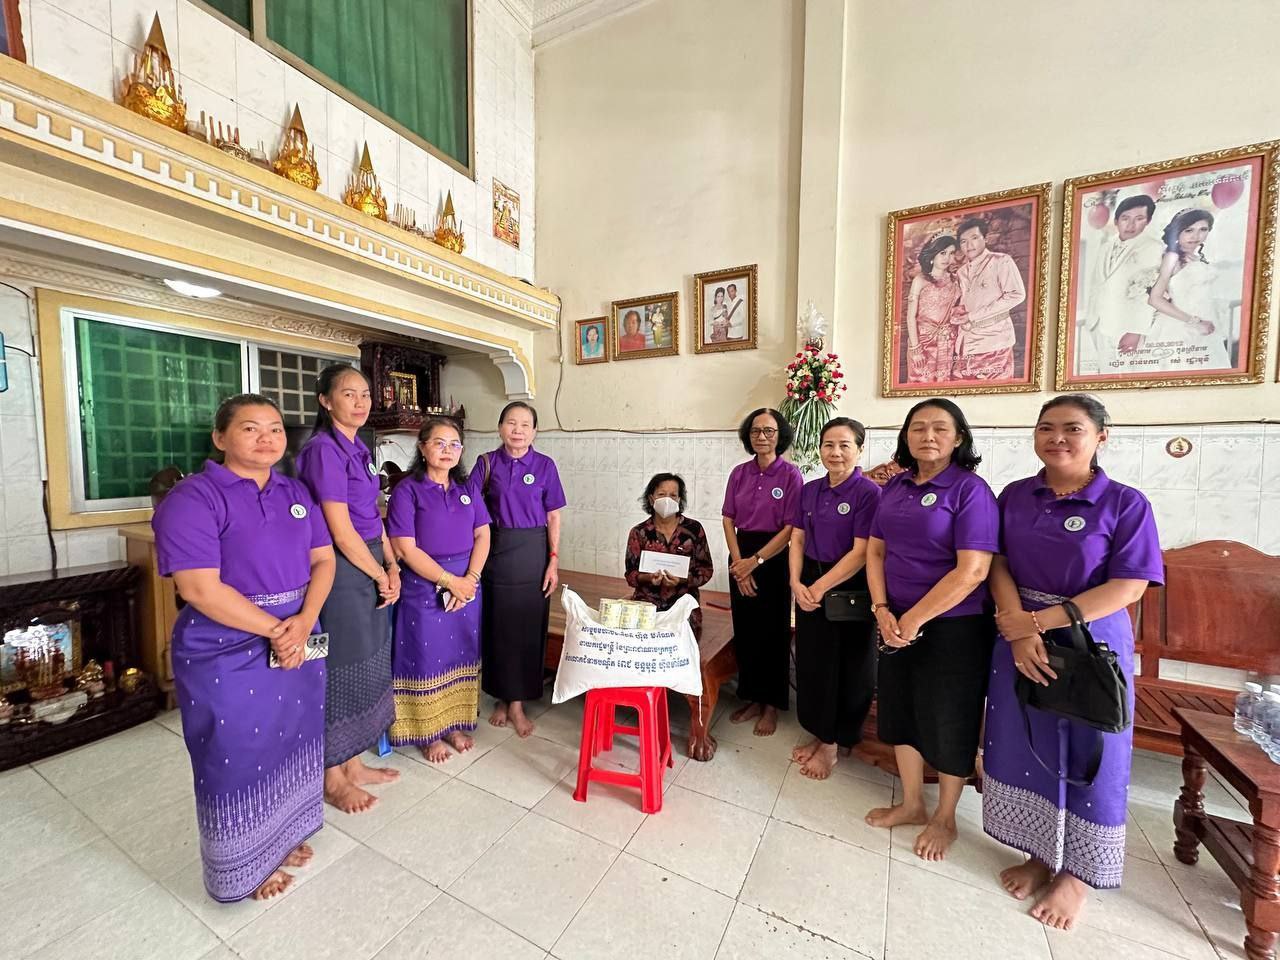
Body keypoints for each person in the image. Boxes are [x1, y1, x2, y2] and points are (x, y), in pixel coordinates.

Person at [982, 394, 1161, 931]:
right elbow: (997, 563)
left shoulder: (1125, 503)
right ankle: (1040, 854)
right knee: (1028, 740)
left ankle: (1078, 876)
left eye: (1072, 428)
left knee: (1092, 750)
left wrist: (1038, 623)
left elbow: (1129, 585)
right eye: (1046, 427)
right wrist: (1016, 625)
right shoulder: (1016, 495)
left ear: (1101, 436)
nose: (1057, 438)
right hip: (1018, 634)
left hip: (1090, 644)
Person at [152, 394, 335, 901]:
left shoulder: (294, 491)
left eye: (275, 429)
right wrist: (280, 630)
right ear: (220, 438)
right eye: (251, 428)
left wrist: (303, 622)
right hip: (224, 645)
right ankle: (244, 865)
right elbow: (199, 589)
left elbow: (323, 561)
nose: (267, 438)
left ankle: (281, 839)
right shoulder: (194, 498)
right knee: (234, 751)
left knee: (290, 737)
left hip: (297, 633)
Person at [864, 398, 998, 862]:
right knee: (900, 710)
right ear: (906, 437)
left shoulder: (970, 490)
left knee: (948, 718)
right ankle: (912, 803)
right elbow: (876, 552)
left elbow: (973, 571)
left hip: (953, 627)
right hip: (894, 619)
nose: (928, 436)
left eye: (940, 428)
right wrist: (882, 609)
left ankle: (945, 816)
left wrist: (913, 619)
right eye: (918, 427)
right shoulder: (895, 487)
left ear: (959, 438)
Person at [295, 364, 400, 815]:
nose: (360, 402)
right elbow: (339, 529)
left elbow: (372, 513)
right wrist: (378, 573)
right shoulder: (323, 450)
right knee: (339, 667)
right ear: (325, 400)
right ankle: (331, 777)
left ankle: (353, 763)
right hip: (341, 569)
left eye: (365, 394)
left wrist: (391, 564)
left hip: (370, 560)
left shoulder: (359, 447)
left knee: (368, 661)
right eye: (349, 394)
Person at [387, 418, 491, 761]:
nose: (448, 450)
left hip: (467, 587)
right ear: (422, 448)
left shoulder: (467, 489)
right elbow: (405, 548)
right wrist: (450, 582)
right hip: (423, 588)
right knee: (425, 658)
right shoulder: (407, 491)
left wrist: (470, 579)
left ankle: (454, 725)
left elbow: (483, 534)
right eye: (439, 443)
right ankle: (428, 733)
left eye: (454, 444)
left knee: (460, 653)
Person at [788, 418, 881, 780]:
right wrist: (796, 582)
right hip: (809, 580)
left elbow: (861, 553)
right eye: (828, 444)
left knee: (849, 666)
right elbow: (797, 538)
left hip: (850, 585)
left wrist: (818, 588)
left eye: (845, 445)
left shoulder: (868, 493)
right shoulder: (810, 490)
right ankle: (820, 732)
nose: (836, 452)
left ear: (859, 449)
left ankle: (834, 743)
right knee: (814, 662)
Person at [471, 401, 565, 737]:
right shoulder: (486, 463)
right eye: (511, 423)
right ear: (500, 428)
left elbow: (553, 515)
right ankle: (500, 696)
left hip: (532, 553)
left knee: (527, 625)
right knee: (497, 626)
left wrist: (553, 559)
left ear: (535, 431)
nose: (518, 430)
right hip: (495, 550)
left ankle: (517, 703)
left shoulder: (544, 465)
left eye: (525, 424)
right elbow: (471, 510)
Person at [723, 408, 803, 737]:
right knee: (746, 631)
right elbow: (728, 519)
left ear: (779, 436)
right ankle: (752, 698)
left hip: (773, 558)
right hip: (741, 553)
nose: (762, 437)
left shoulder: (791, 475)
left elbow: (790, 528)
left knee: (773, 633)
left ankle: (771, 705)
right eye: (756, 431)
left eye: (769, 431)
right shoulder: (739, 473)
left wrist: (754, 562)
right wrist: (739, 565)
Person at [625, 474, 716, 758]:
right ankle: (646, 705)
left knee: (687, 650)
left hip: (683, 606)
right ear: (651, 498)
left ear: (680, 499)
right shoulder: (639, 533)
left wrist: (684, 579)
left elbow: (706, 570)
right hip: (648, 605)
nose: (668, 499)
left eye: (674, 495)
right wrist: (648, 578)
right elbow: (630, 574)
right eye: (661, 493)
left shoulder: (693, 530)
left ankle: (696, 722)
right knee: (640, 646)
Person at [1081, 195, 1164, 369]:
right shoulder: (1106, 247)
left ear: (1148, 221)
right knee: (1105, 374)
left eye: (1139, 219)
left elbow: (1149, 289)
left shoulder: (1153, 247)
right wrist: (1091, 321)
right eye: (1125, 218)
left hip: (1127, 326)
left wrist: (1137, 330)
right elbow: (1097, 284)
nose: (1131, 225)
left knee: (1127, 375)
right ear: (1116, 221)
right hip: (1099, 323)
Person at [1147, 208, 1231, 370]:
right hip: (1181, 326)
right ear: (1177, 231)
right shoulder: (1171, 258)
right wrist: (1195, 322)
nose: (1196, 236)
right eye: (1189, 230)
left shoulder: (1198, 258)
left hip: (1206, 327)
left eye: (1203, 229)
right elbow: (1155, 299)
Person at [953, 217, 1025, 380]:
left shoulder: (1001, 261)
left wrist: (973, 316)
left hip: (994, 341)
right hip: (966, 342)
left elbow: (1016, 295)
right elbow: (967, 301)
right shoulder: (962, 271)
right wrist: (959, 312)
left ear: (985, 238)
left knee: (993, 389)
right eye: (963, 241)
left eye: (974, 238)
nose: (969, 245)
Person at [905, 234, 960, 383]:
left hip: (947, 342)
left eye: (951, 253)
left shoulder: (955, 280)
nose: (947, 258)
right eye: (943, 253)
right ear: (932, 254)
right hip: (922, 343)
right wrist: (916, 349)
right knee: (921, 384)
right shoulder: (920, 280)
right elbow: (910, 317)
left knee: (944, 384)